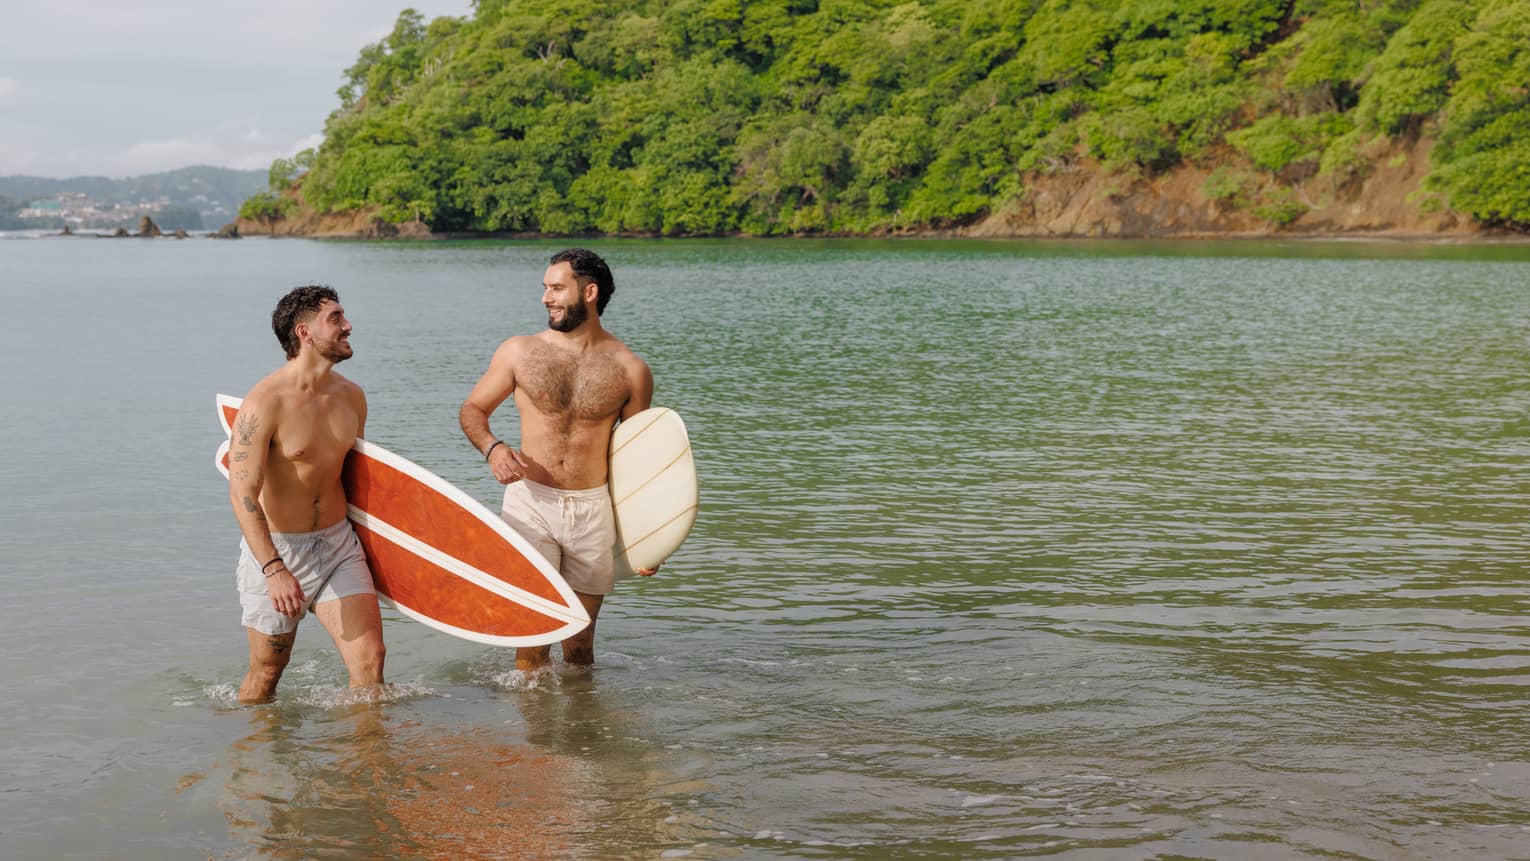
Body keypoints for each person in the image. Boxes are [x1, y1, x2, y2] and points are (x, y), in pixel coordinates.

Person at [460, 248, 656, 673]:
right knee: (533, 638)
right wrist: (493, 448)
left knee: (581, 644)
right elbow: (473, 410)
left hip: (592, 510)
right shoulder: (520, 352)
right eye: (545, 288)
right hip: (530, 503)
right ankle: (531, 717)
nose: (545, 298)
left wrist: (649, 538)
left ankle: (582, 718)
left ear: (589, 292)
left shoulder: (631, 370)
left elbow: (636, 460)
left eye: (556, 288)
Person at [227, 285, 386, 703]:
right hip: (279, 550)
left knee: (370, 664)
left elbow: (358, 482)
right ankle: (252, 742)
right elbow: (242, 492)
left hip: (338, 548)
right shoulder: (265, 402)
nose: (348, 326)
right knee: (266, 674)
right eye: (335, 319)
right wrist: (273, 569)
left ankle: (367, 746)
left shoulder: (352, 397)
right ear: (304, 332)